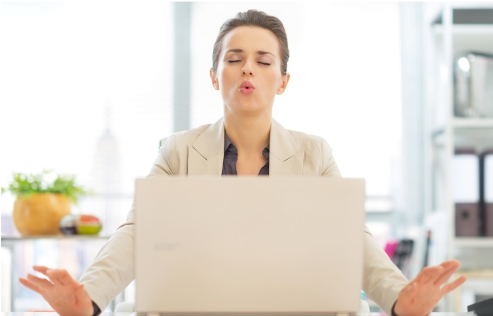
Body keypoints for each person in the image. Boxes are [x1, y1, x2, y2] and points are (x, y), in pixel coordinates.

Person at [20, 9, 466, 316]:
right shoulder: (177, 151)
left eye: (262, 60)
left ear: (283, 80)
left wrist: (397, 299)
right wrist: (89, 297)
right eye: (234, 59)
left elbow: (351, 239)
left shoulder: (316, 154)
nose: (247, 69)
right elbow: (137, 233)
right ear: (216, 76)